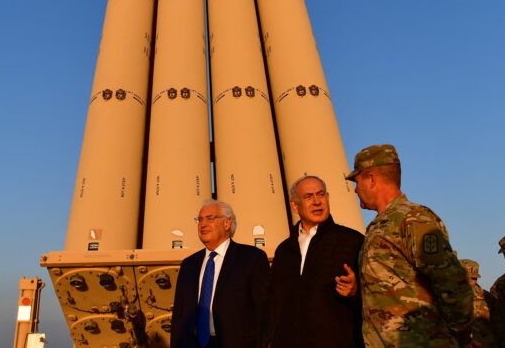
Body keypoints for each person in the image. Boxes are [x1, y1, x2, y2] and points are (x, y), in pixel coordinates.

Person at [347, 144, 475, 347]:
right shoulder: (379, 226)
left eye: (357, 180)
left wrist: (459, 337)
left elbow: (452, 283)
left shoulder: (412, 219)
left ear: (371, 179)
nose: (355, 189)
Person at [264, 175, 365, 347]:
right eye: (308, 197)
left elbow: (375, 297)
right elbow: (274, 304)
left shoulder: (353, 241)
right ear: (295, 206)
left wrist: (356, 291)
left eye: (321, 194)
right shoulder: (284, 251)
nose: (317, 202)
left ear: (328, 198)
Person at [170, 200, 269, 348]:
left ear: (227, 223)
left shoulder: (252, 258)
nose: (203, 224)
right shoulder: (189, 265)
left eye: (210, 218)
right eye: (200, 219)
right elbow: (179, 317)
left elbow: (265, 311)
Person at [461, 259, 497, 347]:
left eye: (473, 278)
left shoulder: (487, 298)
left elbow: (499, 324)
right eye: (466, 277)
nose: (470, 280)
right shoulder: (447, 297)